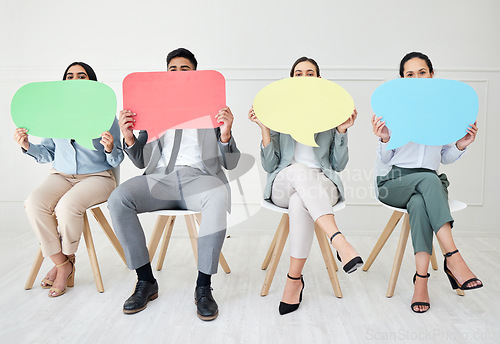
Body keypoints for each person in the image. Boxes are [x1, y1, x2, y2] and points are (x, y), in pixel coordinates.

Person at [108, 48, 240, 320]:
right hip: (160, 178)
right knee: (118, 198)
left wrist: (225, 133)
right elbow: (142, 161)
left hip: (200, 179)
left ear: (195, 74)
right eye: (173, 70)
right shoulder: (154, 107)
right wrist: (129, 136)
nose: (178, 74)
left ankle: (203, 287)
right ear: (165, 74)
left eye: (185, 69)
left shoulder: (212, 107)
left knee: (216, 197)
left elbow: (231, 163)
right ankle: (145, 280)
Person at [248, 56, 363, 315]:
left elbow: (339, 164)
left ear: (319, 80)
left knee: (301, 201)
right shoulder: (277, 112)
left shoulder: (332, 113)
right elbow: (270, 166)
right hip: (283, 183)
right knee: (298, 172)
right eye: (298, 73)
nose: (304, 77)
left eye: (310, 73)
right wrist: (265, 129)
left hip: (322, 186)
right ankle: (339, 241)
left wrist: (342, 131)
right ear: (291, 80)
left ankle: (293, 280)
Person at [371, 51, 482, 313]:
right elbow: (385, 160)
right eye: (410, 74)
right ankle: (453, 257)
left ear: (432, 75)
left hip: (426, 186)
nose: (417, 78)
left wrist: (461, 144)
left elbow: (445, 156)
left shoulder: (442, 114)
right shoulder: (393, 111)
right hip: (395, 181)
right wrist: (385, 139)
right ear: (402, 79)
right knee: (428, 181)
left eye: (422, 72)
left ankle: (421, 281)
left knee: (420, 201)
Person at [14, 62, 124, 297]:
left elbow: (117, 159)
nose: (74, 79)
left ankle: (64, 264)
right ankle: (63, 263)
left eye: (81, 75)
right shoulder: (56, 115)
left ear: (91, 82)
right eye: (70, 76)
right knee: (34, 204)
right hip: (61, 175)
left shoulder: (105, 114)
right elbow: (48, 153)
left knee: (67, 206)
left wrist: (109, 148)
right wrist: (27, 146)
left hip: (97, 177)